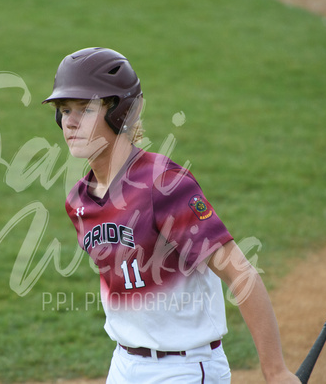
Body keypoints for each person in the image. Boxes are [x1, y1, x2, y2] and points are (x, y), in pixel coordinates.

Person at [43, 47, 300, 384]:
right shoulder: (79, 201)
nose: (70, 122)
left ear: (118, 112)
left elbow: (241, 273)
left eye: (85, 109)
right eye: (64, 111)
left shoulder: (162, 184)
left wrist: (276, 371)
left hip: (183, 368)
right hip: (122, 365)